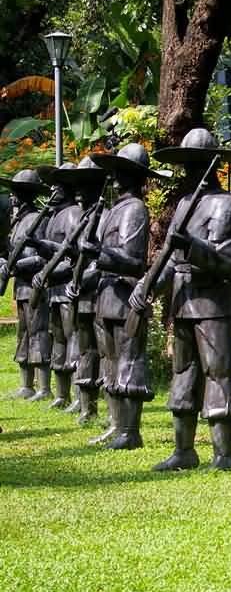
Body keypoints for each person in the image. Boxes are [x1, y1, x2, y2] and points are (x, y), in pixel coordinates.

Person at [140, 127, 231, 470]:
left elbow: (226, 261)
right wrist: (148, 287)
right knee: (183, 372)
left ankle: (224, 455)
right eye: (186, 164)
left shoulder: (226, 204)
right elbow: (172, 259)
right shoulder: (186, 203)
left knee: (218, 372)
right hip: (184, 300)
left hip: (214, 303)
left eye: (196, 164)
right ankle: (183, 450)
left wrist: (190, 245)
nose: (189, 171)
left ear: (211, 165)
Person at [89, 144, 167, 450]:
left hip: (125, 296)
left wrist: (100, 253)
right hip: (105, 294)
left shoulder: (135, 208)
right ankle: (116, 424)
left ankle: (130, 431)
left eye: (124, 172)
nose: (116, 177)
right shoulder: (113, 209)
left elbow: (133, 260)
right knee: (109, 361)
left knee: (129, 361)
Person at [57, 157, 109, 426]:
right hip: (80, 296)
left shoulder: (104, 218)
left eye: (85, 185)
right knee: (84, 350)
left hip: (99, 293)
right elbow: (72, 259)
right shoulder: (82, 219)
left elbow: (103, 260)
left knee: (104, 353)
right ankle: (86, 406)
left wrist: (84, 280)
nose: (78, 191)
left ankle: (113, 413)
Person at [31, 163, 82, 410]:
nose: (52, 190)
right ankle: (62, 394)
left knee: (73, 339)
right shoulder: (54, 216)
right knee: (58, 339)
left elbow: (74, 254)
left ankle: (79, 395)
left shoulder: (72, 213)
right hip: (53, 287)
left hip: (66, 286)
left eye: (57, 186)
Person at [0, 169, 53, 400]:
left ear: (23, 195)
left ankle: (43, 388)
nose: (12, 198)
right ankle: (26, 385)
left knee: (38, 332)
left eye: (16, 193)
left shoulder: (36, 220)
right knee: (24, 333)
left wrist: (17, 266)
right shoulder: (18, 222)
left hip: (35, 285)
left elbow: (42, 256)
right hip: (21, 286)